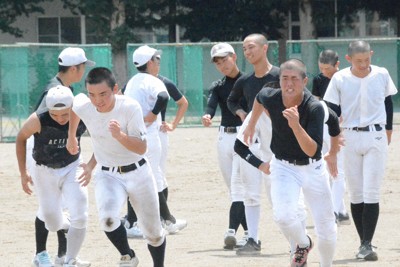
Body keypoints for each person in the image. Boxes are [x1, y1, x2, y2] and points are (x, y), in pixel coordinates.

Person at [243, 59, 340, 267]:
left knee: (327, 228)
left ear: (304, 81)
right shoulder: (272, 96)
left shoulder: (313, 107)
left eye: (294, 79)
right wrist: (251, 125)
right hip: (283, 166)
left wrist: (296, 126)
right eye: (284, 79)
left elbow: (312, 149)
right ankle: (304, 244)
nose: (289, 84)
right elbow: (259, 98)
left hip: (313, 168)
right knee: (283, 217)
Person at [67, 67, 166, 267]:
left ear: (115, 89)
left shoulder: (130, 107)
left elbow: (141, 148)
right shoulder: (85, 104)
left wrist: (120, 135)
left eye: (103, 94)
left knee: (154, 234)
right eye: (92, 94)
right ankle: (128, 255)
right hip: (108, 174)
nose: (97, 100)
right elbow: (74, 107)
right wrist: (71, 136)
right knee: (108, 220)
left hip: (138, 172)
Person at [323, 40, 397, 261]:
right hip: (350, 136)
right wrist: (335, 139)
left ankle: (367, 243)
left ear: (371, 55)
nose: (364, 65)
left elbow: (388, 102)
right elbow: (332, 109)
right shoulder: (340, 78)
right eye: (358, 61)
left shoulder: (382, 74)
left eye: (367, 60)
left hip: (376, 135)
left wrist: (389, 130)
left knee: (372, 190)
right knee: (356, 192)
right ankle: (362, 241)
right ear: (348, 60)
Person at [26, 47, 94, 267]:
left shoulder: (62, 87)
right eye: (83, 67)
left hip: (56, 150)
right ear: (74, 68)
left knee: (61, 205)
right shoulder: (55, 92)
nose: (84, 71)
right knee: (49, 206)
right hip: (42, 150)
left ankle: (62, 255)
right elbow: (45, 127)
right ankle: (41, 254)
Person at [124, 45, 187, 235]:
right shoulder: (152, 81)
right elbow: (162, 96)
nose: (158, 63)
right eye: (156, 59)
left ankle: (164, 220)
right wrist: (152, 115)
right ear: (149, 62)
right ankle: (149, 222)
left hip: (135, 136)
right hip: (149, 136)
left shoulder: (133, 81)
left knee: (150, 177)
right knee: (152, 179)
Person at [227, 33, 280, 255]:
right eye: (245, 49)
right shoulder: (245, 80)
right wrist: (241, 113)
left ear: (265, 48)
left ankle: (295, 241)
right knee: (250, 194)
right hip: (251, 141)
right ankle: (253, 239)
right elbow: (232, 100)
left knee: (278, 196)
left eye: (251, 47)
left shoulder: (280, 75)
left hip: (275, 143)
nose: (247, 52)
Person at [201, 42, 248, 249]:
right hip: (224, 137)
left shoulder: (248, 81)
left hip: (244, 136)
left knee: (239, 187)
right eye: (218, 63)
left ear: (234, 57)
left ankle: (233, 231)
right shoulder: (218, 86)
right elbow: (211, 105)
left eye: (225, 59)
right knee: (234, 188)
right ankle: (248, 233)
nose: (222, 65)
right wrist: (207, 115)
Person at [312, 49, 350, 225]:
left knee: (339, 170)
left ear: (337, 65)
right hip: (324, 126)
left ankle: (334, 211)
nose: (324, 72)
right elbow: (315, 102)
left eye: (328, 68)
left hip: (342, 127)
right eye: (321, 68)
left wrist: (342, 128)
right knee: (326, 169)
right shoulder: (319, 79)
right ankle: (340, 210)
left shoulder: (345, 78)